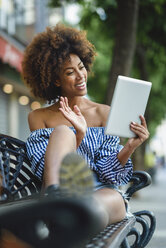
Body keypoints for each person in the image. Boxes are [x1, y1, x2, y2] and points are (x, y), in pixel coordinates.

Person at [22, 23, 149, 245]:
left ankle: (66, 219)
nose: (80, 76)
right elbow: (44, 168)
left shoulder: (104, 113)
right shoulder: (39, 117)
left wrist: (130, 147)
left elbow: (110, 175)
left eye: (81, 67)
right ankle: (54, 203)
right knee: (63, 132)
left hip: (100, 191)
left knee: (102, 204)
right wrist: (78, 135)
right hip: (62, 188)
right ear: (55, 80)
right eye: (70, 72)